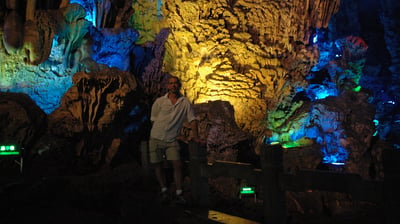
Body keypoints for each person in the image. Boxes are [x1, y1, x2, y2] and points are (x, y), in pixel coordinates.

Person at [149, 75, 199, 205]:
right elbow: (153, 119)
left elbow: (192, 119)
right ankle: (164, 190)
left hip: (171, 140)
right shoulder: (160, 101)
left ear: (179, 85)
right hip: (155, 137)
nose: (173, 85)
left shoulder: (185, 102)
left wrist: (196, 136)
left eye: (176, 83)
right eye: (171, 83)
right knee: (157, 164)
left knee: (177, 164)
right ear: (167, 86)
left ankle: (178, 192)